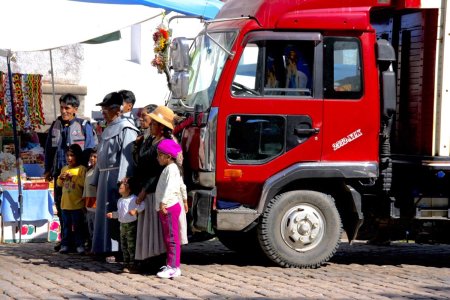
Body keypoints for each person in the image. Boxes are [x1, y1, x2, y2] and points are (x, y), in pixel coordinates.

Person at [135, 105, 188, 263]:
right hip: (150, 188)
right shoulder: (150, 140)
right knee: (154, 229)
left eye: (154, 123)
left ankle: (164, 262)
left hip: (158, 191)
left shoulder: (165, 145)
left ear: (162, 127)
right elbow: (141, 161)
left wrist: (145, 190)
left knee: (162, 230)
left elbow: (160, 172)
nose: (150, 125)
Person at [44, 93, 97, 251]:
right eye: (61, 107)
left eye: (67, 108)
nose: (64, 111)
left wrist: (86, 171)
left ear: (75, 109)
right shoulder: (55, 125)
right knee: (62, 207)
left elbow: (89, 149)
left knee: (79, 210)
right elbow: (49, 149)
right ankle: (66, 240)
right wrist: (47, 169)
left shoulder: (83, 125)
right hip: (60, 173)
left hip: (78, 175)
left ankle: (81, 240)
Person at [91, 92, 139, 259]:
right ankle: (102, 246)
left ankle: (117, 249)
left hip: (116, 176)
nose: (103, 112)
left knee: (116, 211)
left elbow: (128, 158)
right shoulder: (108, 127)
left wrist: (123, 182)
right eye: (102, 108)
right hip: (104, 176)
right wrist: (96, 177)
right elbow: (101, 154)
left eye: (106, 109)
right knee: (103, 212)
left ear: (116, 109)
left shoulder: (127, 128)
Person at [155, 139, 188, 279]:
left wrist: (163, 203)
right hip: (169, 206)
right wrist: (185, 200)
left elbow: (171, 187)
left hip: (168, 207)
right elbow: (182, 186)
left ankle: (173, 267)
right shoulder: (172, 169)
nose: (158, 158)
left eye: (160, 155)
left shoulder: (171, 169)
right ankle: (172, 265)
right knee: (170, 237)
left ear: (168, 156)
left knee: (172, 238)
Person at [106, 177, 143, 273]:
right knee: (124, 245)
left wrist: (136, 210)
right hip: (122, 225)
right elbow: (119, 213)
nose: (121, 186)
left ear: (129, 189)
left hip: (131, 225)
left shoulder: (134, 198)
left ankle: (133, 264)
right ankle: (125, 263)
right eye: (121, 185)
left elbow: (143, 205)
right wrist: (113, 215)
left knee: (131, 245)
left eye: (124, 185)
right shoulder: (120, 201)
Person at [56, 144, 87, 254]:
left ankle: (80, 245)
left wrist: (73, 177)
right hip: (65, 204)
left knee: (78, 226)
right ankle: (65, 245)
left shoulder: (82, 169)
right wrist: (61, 178)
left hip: (77, 203)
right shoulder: (64, 168)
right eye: (67, 155)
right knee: (66, 227)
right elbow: (59, 184)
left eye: (72, 155)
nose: (69, 158)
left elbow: (84, 184)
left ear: (77, 156)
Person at [82, 149, 97, 253]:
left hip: (96, 202)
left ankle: (95, 247)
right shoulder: (89, 170)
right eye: (91, 156)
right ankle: (91, 245)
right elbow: (85, 187)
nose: (92, 158)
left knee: (95, 226)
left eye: (95, 157)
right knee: (90, 226)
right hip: (88, 202)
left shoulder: (99, 171)